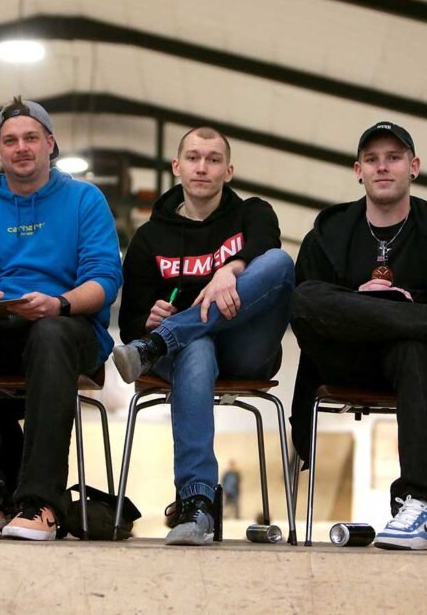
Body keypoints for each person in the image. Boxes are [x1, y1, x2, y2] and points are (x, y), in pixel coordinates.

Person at [290, 121, 427, 551]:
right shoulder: (329, 233)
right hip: (348, 360)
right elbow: (307, 315)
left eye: (393, 158)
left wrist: (401, 314)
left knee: (414, 345)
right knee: (301, 297)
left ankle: (421, 505)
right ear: (358, 171)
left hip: (420, 368)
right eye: (372, 160)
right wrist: (366, 304)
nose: (382, 167)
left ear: (414, 166)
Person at [0, 97, 122, 541]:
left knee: (50, 334)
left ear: (50, 143)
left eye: (31, 137)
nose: (21, 147)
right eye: (10, 141)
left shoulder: (85, 200)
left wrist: (59, 303)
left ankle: (40, 502)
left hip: (68, 328)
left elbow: (105, 279)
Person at [113, 126, 294, 546]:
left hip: (245, 347)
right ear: (177, 166)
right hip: (186, 358)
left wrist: (230, 270)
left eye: (213, 160)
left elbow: (267, 248)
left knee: (280, 262)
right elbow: (130, 323)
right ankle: (197, 503)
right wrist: (149, 321)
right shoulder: (149, 238)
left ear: (228, 171)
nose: (202, 167)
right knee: (195, 346)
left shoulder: (253, 213)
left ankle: (166, 339)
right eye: (193, 158)